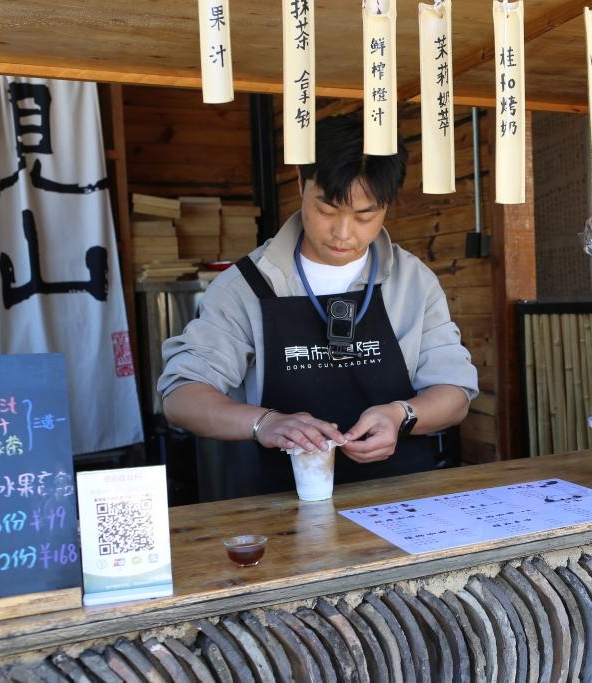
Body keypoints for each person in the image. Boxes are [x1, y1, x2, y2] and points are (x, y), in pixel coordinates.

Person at [158, 115, 478, 498]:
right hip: (281, 512)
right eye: (327, 209)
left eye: (365, 215)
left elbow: (455, 393)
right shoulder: (246, 285)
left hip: (401, 505)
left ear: (387, 205)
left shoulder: (411, 281)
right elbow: (181, 396)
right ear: (300, 183)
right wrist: (265, 423)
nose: (343, 233)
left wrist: (401, 415)